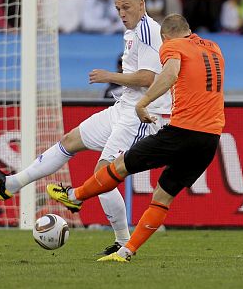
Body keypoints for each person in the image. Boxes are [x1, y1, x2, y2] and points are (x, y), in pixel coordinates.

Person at [0, 0, 171, 255]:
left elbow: (149, 78)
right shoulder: (132, 31)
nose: (121, 13)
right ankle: (11, 184)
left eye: (126, 7)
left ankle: (122, 241)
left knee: (103, 174)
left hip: (142, 113)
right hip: (124, 107)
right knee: (70, 140)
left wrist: (110, 76)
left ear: (142, 4)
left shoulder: (149, 30)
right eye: (118, 9)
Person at [47, 14, 224, 263]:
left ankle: (74, 196)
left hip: (182, 131)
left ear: (164, 37)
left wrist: (143, 103)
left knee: (118, 166)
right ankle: (125, 251)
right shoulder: (214, 48)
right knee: (162, 197)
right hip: (210, 137)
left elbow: (170, 73)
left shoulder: (172, 45)